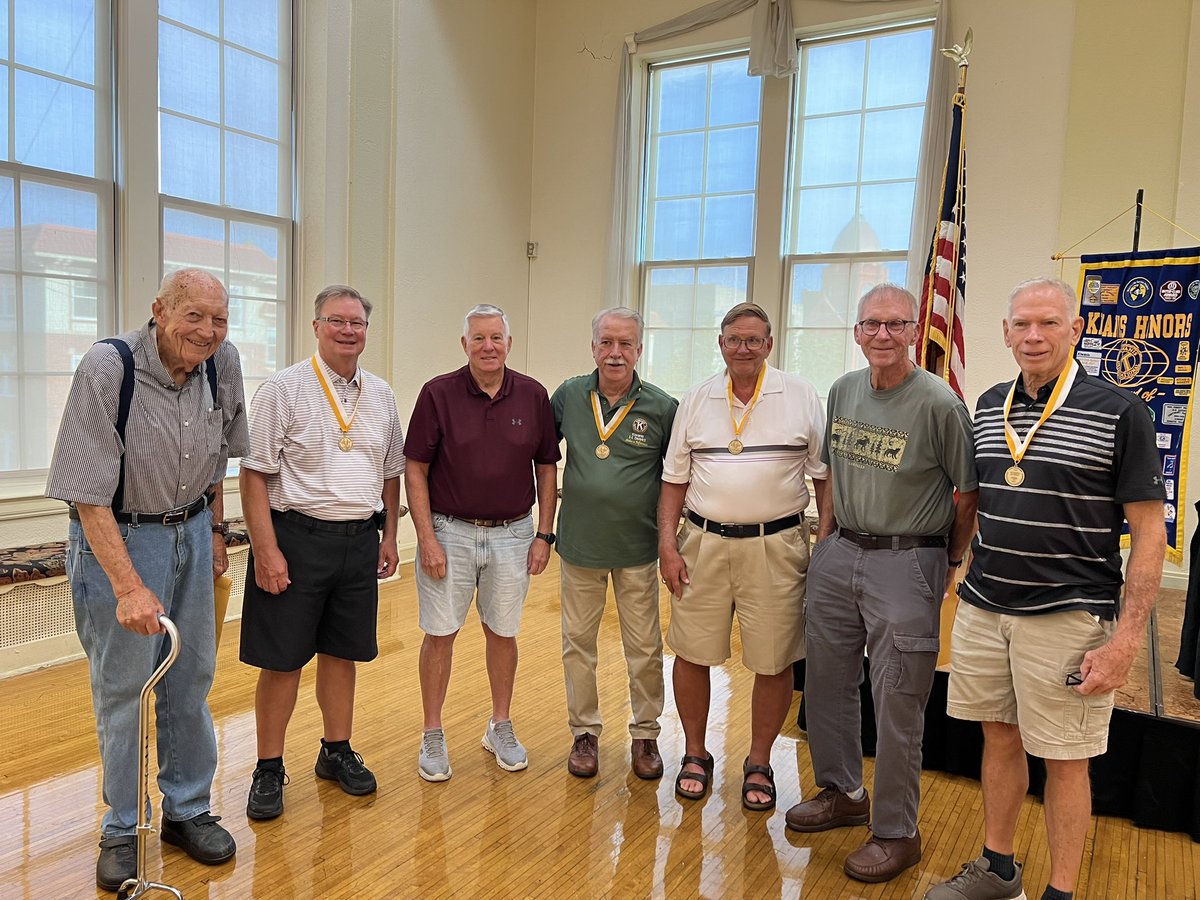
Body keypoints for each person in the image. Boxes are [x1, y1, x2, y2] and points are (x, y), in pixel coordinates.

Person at [927, 278, 1166, 900]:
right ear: (1005, 333)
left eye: (1049, 324)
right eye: (1022, 325)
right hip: (986, 605)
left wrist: (1125, 641)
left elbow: (1146, 533)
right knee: (998, 735)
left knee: (1066, 757)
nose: (1034, 336)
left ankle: (1060, 892)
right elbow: (975, 502)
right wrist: (956, 571)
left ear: (1076, 329)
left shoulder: (1120, 411)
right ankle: (999, 871)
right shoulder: (986, 404)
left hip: (1066, 614)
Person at [46, 268, 248, 892]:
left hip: (191, 530)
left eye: (219, 318)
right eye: (194, 316)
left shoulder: (223, 362)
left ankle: (187, 810)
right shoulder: (109, 368)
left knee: (191, 678)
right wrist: (129, 584)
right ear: (159, 310)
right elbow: (86, 493)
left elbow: (218, 459)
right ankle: (123, 825)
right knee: (126, 687)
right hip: (122, 536)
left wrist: (213, 530)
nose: (208, 331)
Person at [784, 284, 978, 883]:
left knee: (898, 699)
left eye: (896, 325)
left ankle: (897, 831)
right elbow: (837, 473)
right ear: (858, 332)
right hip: (842, 551)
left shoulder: (939, 403)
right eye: (872, 324)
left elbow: (966, 493)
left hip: (906, 558)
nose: (884, 335)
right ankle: (842, 791)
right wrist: (829, 543)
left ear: (914, 331)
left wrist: (947, 561)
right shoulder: (843, 391)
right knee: (827, 682)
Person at [238, 285, 404, 821]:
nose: (348, 331)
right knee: (282, 660)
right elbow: (254, 473)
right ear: (316, 326)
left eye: (357, 323)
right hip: (294, 540)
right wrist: (266, 550)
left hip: (358, 542)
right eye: (337, 321)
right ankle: (268, 767)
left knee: (343, 652)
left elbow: (390, 469)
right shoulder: (282, 389)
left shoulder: (381, 394)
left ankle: (336, 750)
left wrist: (389, 535)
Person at [658, 302, 829, 812]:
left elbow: (824, 477)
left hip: (776, 546)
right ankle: (694, 752)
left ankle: (759, 760)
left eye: (754, 340)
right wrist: (667, 545)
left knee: (773, 659)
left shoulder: (799, 395)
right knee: (691, 651)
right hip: (702, 543)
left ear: (769, 344)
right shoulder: (696, 399)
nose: (744, 348)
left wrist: (825, 546)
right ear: (721, 343)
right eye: (734, 339)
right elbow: (673, 480)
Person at [406, 303, 560, 781]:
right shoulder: (437, 394)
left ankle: (500, 724)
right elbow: (415, 468)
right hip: (449, 532)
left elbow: (547, 468)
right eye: (478, 339)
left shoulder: (533, 396)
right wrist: (425, 537)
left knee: (503, 632)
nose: (488, 346)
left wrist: (543, 534)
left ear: (509, 343)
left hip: (514, 534)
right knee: (440, 634)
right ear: (464, 345)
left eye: (496, 337)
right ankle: (433, 732)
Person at [550, 307, 678, 779]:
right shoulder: (567, 396)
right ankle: (584, 732)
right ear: (593, 348)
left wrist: (671, 540)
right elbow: (542, 457)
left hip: (637, 548)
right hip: (580, 545)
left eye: (625, 344)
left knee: (644, 646)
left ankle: (645, 734)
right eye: (607, 342)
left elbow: (676, 478)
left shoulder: (662, 408)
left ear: (639, 350)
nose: (615, 352)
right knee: (577, 643)